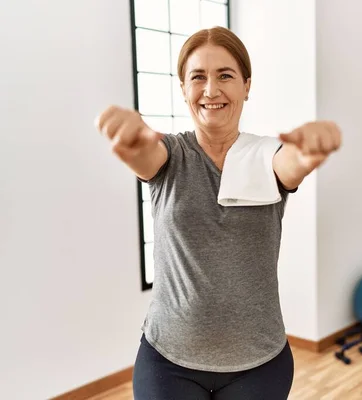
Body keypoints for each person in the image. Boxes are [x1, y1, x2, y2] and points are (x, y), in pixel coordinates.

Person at [95, 26, 341, 400]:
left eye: (225, 75)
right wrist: (128, 141)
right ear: (183, 89)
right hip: (168, 362)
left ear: (246, 85)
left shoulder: (265, 155)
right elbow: (144, 156)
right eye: (198, 77)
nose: (211, 90)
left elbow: (289, 164)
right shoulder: (170, 154)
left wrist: (307, 152)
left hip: (260, 364)